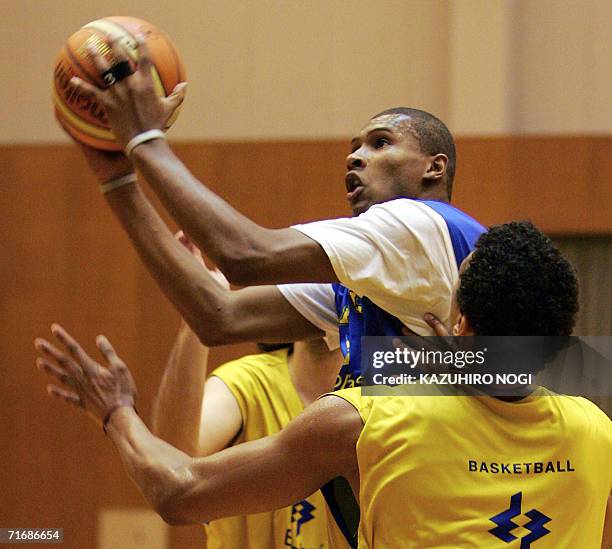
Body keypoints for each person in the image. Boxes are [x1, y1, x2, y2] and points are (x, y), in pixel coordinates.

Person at [35, 221, 612, 547]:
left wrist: (117, 412)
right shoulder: (596, 434)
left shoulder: (368, 421)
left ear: (458, 323)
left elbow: (178, 492)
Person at [69, 37, 486, 392]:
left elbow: (245, 255)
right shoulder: (381, 274)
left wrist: (144, 139)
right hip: (437, 470)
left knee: (187, 486)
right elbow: (219, 317)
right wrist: (119, 181)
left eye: (380, 144)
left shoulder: (415, 224)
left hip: (457, 471)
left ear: (435, 167)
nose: (355, 157)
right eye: (355, 147)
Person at [151, 232, 342, 548]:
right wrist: (197, 320)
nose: (323, 292)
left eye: (335, 281)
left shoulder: (381, 394)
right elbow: (170, 460)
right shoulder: (248, 384)